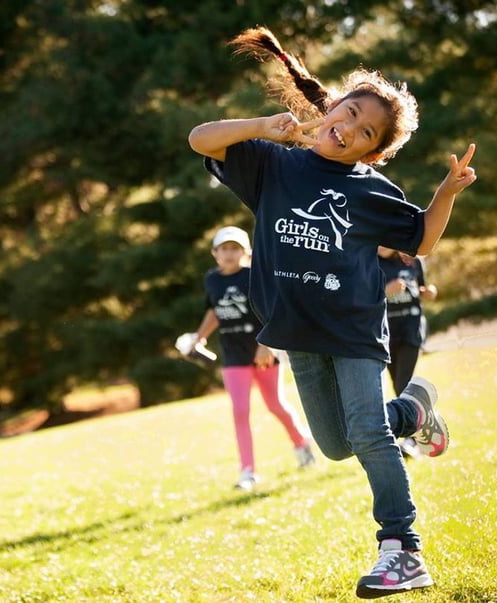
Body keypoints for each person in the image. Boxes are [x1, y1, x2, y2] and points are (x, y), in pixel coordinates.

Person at [188, 26, 476, 599]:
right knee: (338, 444)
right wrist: (262, 127)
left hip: (355, 331)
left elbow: (419, 240)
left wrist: (445, 192)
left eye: (367, 132)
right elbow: (200, 138)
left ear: (374, 150)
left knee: (367, 434)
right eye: (349, 113)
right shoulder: (273, 164)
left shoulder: (369, 189)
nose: (350, 129)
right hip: (296, 334)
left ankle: (402, 550)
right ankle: (413, 410)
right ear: (330, 107)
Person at [183, 225, 315, 491]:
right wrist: (199, 337)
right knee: (240, 411)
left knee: (275, 405)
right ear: (214, 253)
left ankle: (302, 444)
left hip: (263, 351)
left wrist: (266, 345)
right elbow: (215, 311)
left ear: (246, 252)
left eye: (235, 248)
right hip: (233, 356)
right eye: (224, 249)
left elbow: (273, 312)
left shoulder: (255, 276)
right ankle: (248, 472)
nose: (229, 254)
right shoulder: (212, 280)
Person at [378, 247, 439, 460]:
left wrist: (429, 292)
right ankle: (425, 424)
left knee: (403, 383)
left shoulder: (411, 260)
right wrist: (386, 291)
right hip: (385, 334)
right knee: (398, 386)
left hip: (411, 330)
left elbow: (422, 287)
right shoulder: (370, 262)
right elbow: (364, 296)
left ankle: (412, 440)